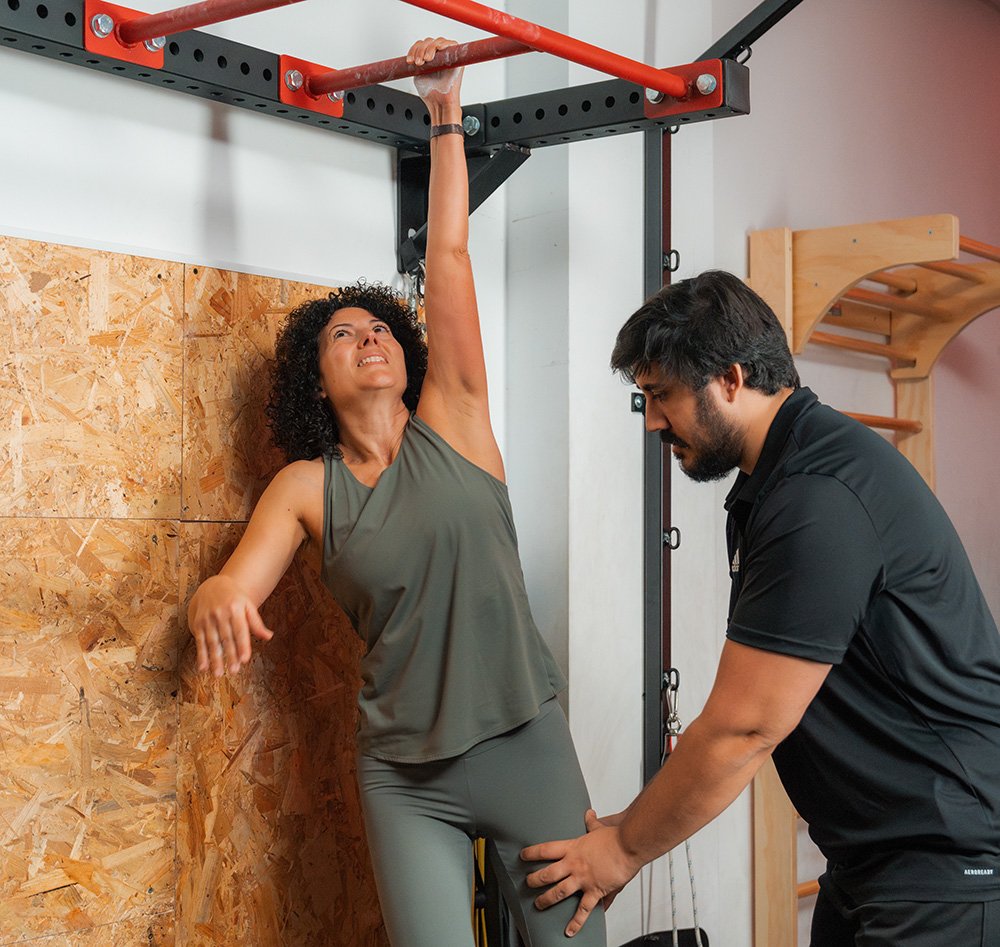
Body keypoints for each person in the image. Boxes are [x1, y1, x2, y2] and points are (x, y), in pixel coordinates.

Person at [186, 36, 606, 947]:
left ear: (408, 355)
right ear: (316, 379)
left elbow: (447, 255)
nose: (369, 337)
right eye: (343, 335)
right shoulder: (307, 488)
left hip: (524, 740)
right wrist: (213, 596)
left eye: (379, 326)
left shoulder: (457, 417)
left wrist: (444, 110)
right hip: (404, 775)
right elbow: (234, 583)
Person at [521, 269, 1000, 945]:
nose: (653, 420)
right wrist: (630, 824)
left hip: (945, 869)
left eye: (662, 395)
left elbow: (743, 729)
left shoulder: (818, 495)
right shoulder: (777, 483)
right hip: (872, 864)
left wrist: (624, 848)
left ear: (731, 379)